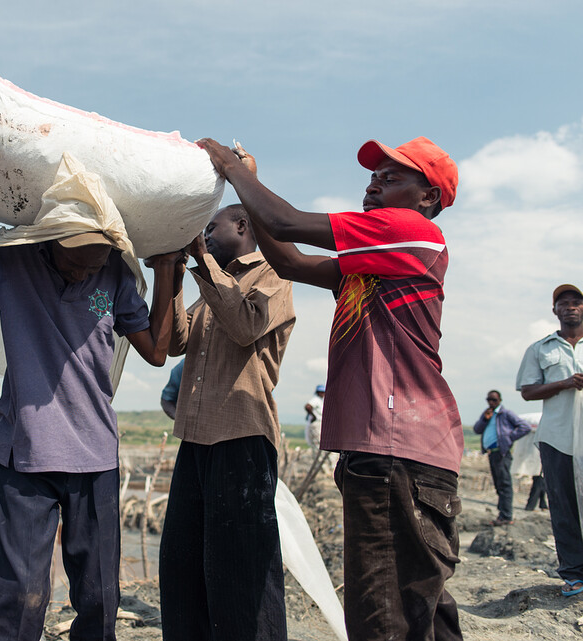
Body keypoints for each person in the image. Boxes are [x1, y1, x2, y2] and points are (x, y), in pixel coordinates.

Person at [0, 163, 184, 641]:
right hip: (24, 455)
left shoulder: (112, 273)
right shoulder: (10, 263)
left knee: (98, 597)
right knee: (22, 595)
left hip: (95, 457)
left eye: (94, 263)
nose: (84, 271)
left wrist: (169, 271)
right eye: (76, 261)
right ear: (50, 239)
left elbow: (155, 350)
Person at [198, 135, 463, 640]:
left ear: (428, 197)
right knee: (418, 605)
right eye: (373, 175)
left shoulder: (411, 232)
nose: (374, 183)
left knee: (382, 615)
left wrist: (234, 168)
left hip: (396, 444)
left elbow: (286, 222)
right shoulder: (372, 265)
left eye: (392, 177)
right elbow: (292, 261)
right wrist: (253, 192)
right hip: (393, 449)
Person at [159, 205, 295, 640]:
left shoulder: (272, 274)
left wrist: (202, 260)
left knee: (242, 569)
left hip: (243, 440)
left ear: (241, 226)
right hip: (196, 440)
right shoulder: (209, 285)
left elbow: (243, 325)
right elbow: (177, 342)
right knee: (183, 564)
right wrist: (174, 275)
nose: (205, 234)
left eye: (210, 227)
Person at [517, 283, 583, 597]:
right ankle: (574, 576)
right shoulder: (541, 349)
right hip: (557, 438)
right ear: (555, 311)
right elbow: (528, 391)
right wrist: (566, 383)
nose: (571, 307)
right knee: (564, 507)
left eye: (576, 302)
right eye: (564, 303)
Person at [473, 390, 531, 526]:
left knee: (504, 484)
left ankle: (506, 516)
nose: (491, 402)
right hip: (492, 453)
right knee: (499, 485)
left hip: (502, 453)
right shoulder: (488, 414)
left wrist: (509, 438)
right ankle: (502, 514)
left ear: (500, 400)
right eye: (489, 400)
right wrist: (484, 419)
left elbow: (525, 427)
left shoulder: (506, 414)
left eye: (494, 400)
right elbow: (477, 429)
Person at [305, 384, 326, 449]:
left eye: (323, 392)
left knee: (318, 442)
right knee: (317, 442)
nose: (322, 394)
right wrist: (314, 416)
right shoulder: (316, 399)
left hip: (318, 423)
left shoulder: (320, 400)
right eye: (321, 392)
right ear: (318, 392)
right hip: (316, 423)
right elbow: (308, 406)